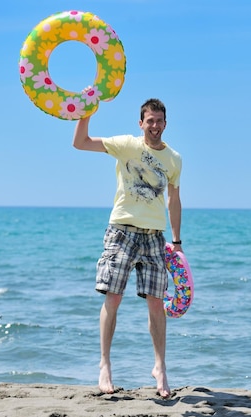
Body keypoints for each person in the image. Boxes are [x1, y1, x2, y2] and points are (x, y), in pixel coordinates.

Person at [72, 98, 183, 398]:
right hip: (122, 231)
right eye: (150, 120)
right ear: (141, 123)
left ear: (165, 123)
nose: (155, 125)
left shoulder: (174, 159)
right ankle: (104, 365)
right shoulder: (127, 145)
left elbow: (174, 200)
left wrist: (177, 241)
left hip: (154, 237)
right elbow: (80, 142)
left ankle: (160, 367)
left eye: (160, 120)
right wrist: (86, 112)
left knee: (156, 305)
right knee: (113, 298)